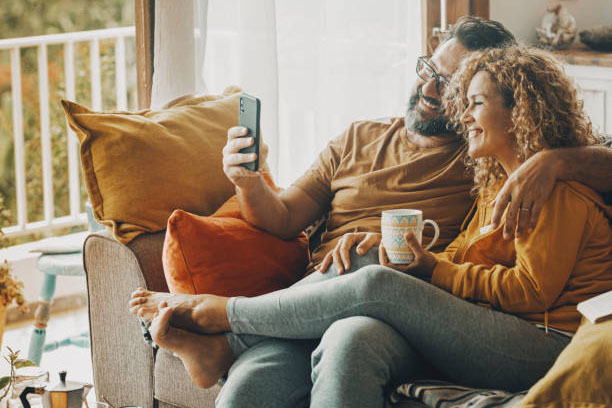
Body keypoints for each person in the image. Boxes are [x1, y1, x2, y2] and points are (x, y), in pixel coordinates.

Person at [130, 18, 612, 408]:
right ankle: (233, 344)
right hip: (316, 299)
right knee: (279, 374)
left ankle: (227, 323)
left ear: (516, 110)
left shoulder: (492, 168)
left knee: (369, 288)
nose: (433, 88)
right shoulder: (375, 141)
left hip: (472, 320)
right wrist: (247, 180)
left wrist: (553, 160)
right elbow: (280, 219)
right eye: (431, 68)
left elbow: (531, 284)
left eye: (461, 90)